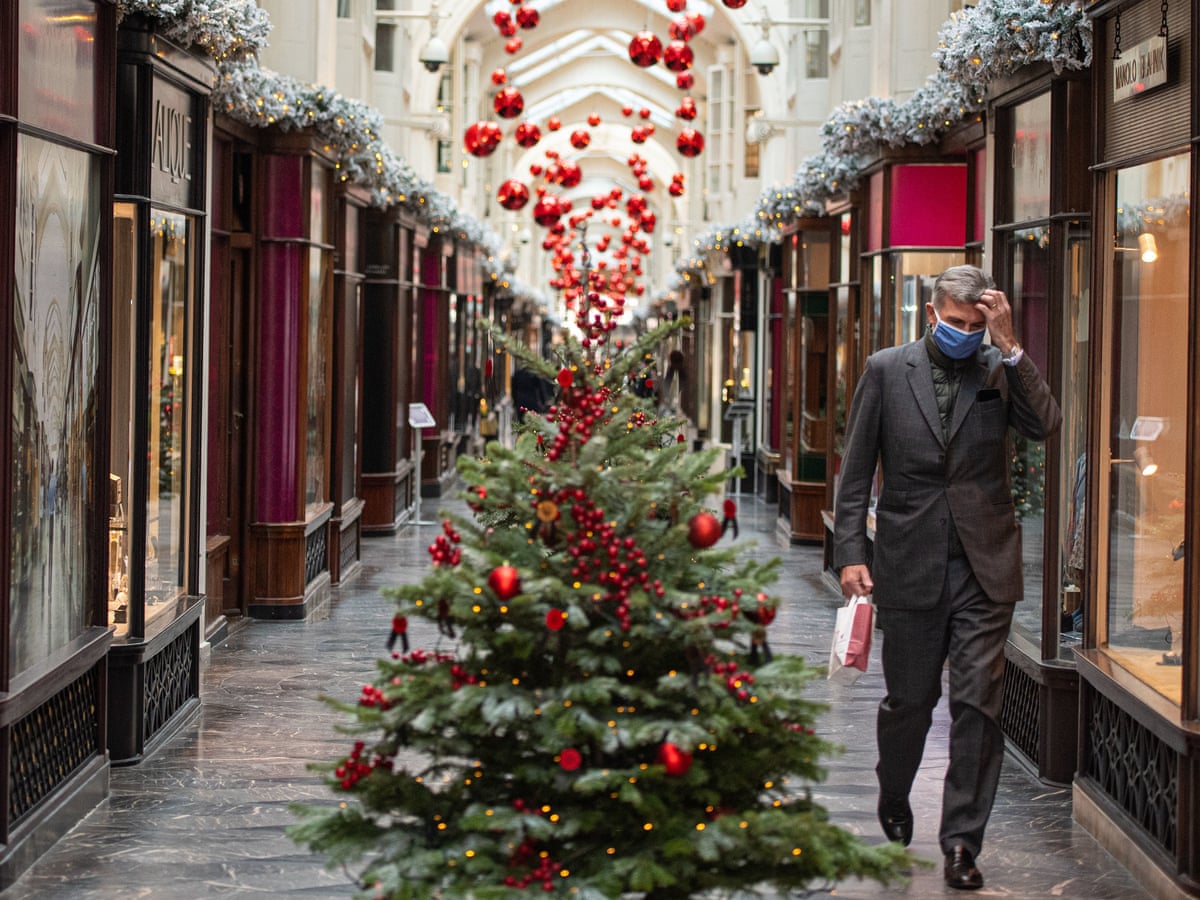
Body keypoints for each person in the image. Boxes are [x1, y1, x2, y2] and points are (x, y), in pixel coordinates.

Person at [832, 265, 1061, 891]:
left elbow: (1045, 425)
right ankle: (894, 787)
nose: (965, 333)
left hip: (985, 566)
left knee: (978, 706)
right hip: (909, 561)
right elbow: (856, 469)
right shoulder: (886, 370)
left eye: (975, 325)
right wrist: (850, 551)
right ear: (932, 314)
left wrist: (1010, 346)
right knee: (910, 702)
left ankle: (962, 841)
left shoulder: (998, 367)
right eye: (955, 322)